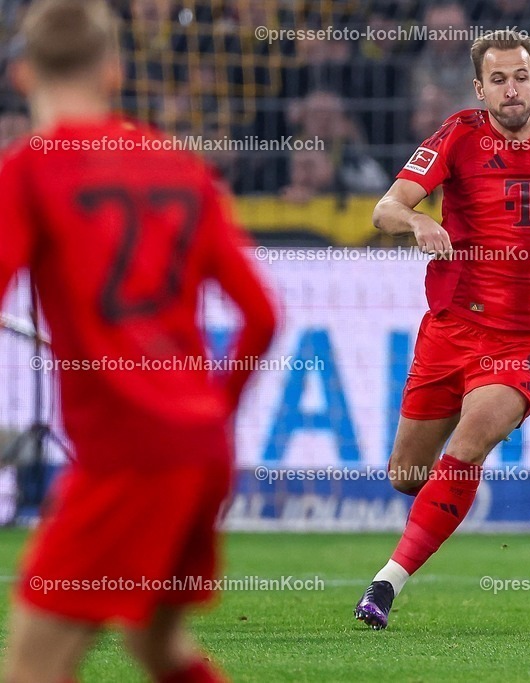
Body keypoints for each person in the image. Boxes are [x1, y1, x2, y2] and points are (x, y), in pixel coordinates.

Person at [0, 1, 278, 681]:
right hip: (200, 448)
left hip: (126, 455)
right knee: (159, 649)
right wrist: (215, 412)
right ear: (115, 72)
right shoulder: (180, 168)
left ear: (24, 75)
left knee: (31, 666)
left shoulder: (31, 168)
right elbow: (262, 316)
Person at [353, 29, 530, 630]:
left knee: (467, 446)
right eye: (498, 79)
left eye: (520, 76)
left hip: (525, 340)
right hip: (451, 328)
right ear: (480, 88)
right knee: (407, 476)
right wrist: (417, 223)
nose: (511, 89)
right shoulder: (458, 135)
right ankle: (441, 496)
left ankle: (385, 586)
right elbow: (385, 207)